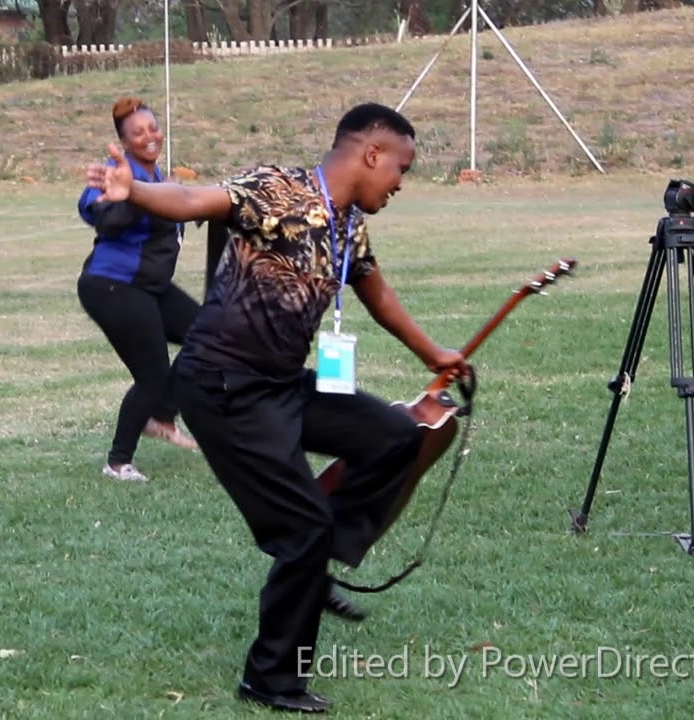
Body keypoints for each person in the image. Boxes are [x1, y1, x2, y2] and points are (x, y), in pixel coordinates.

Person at [85, 102, 469, 713]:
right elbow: (193, 201)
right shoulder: (278, 189)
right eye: (401, 167)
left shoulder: (349, 226)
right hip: (222, 385)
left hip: (281, 382)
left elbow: (376, 293)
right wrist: (135, 189)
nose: (401, 182)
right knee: (302, 533)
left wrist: (435, 354)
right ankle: (270, 678)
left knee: (395, 436)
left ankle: (317, 564)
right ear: (372, 154)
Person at [76, 96, 202, 483]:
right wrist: (126, 197)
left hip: (151, 287)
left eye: (152, 128)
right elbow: (102, 216)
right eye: (138, 133)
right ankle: (117, 463)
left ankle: (162, 416)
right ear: (124, 141)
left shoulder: (158, 176)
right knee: (152, 375)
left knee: (211, 334)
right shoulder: (119, 174)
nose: (149, 136)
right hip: (113, 286)